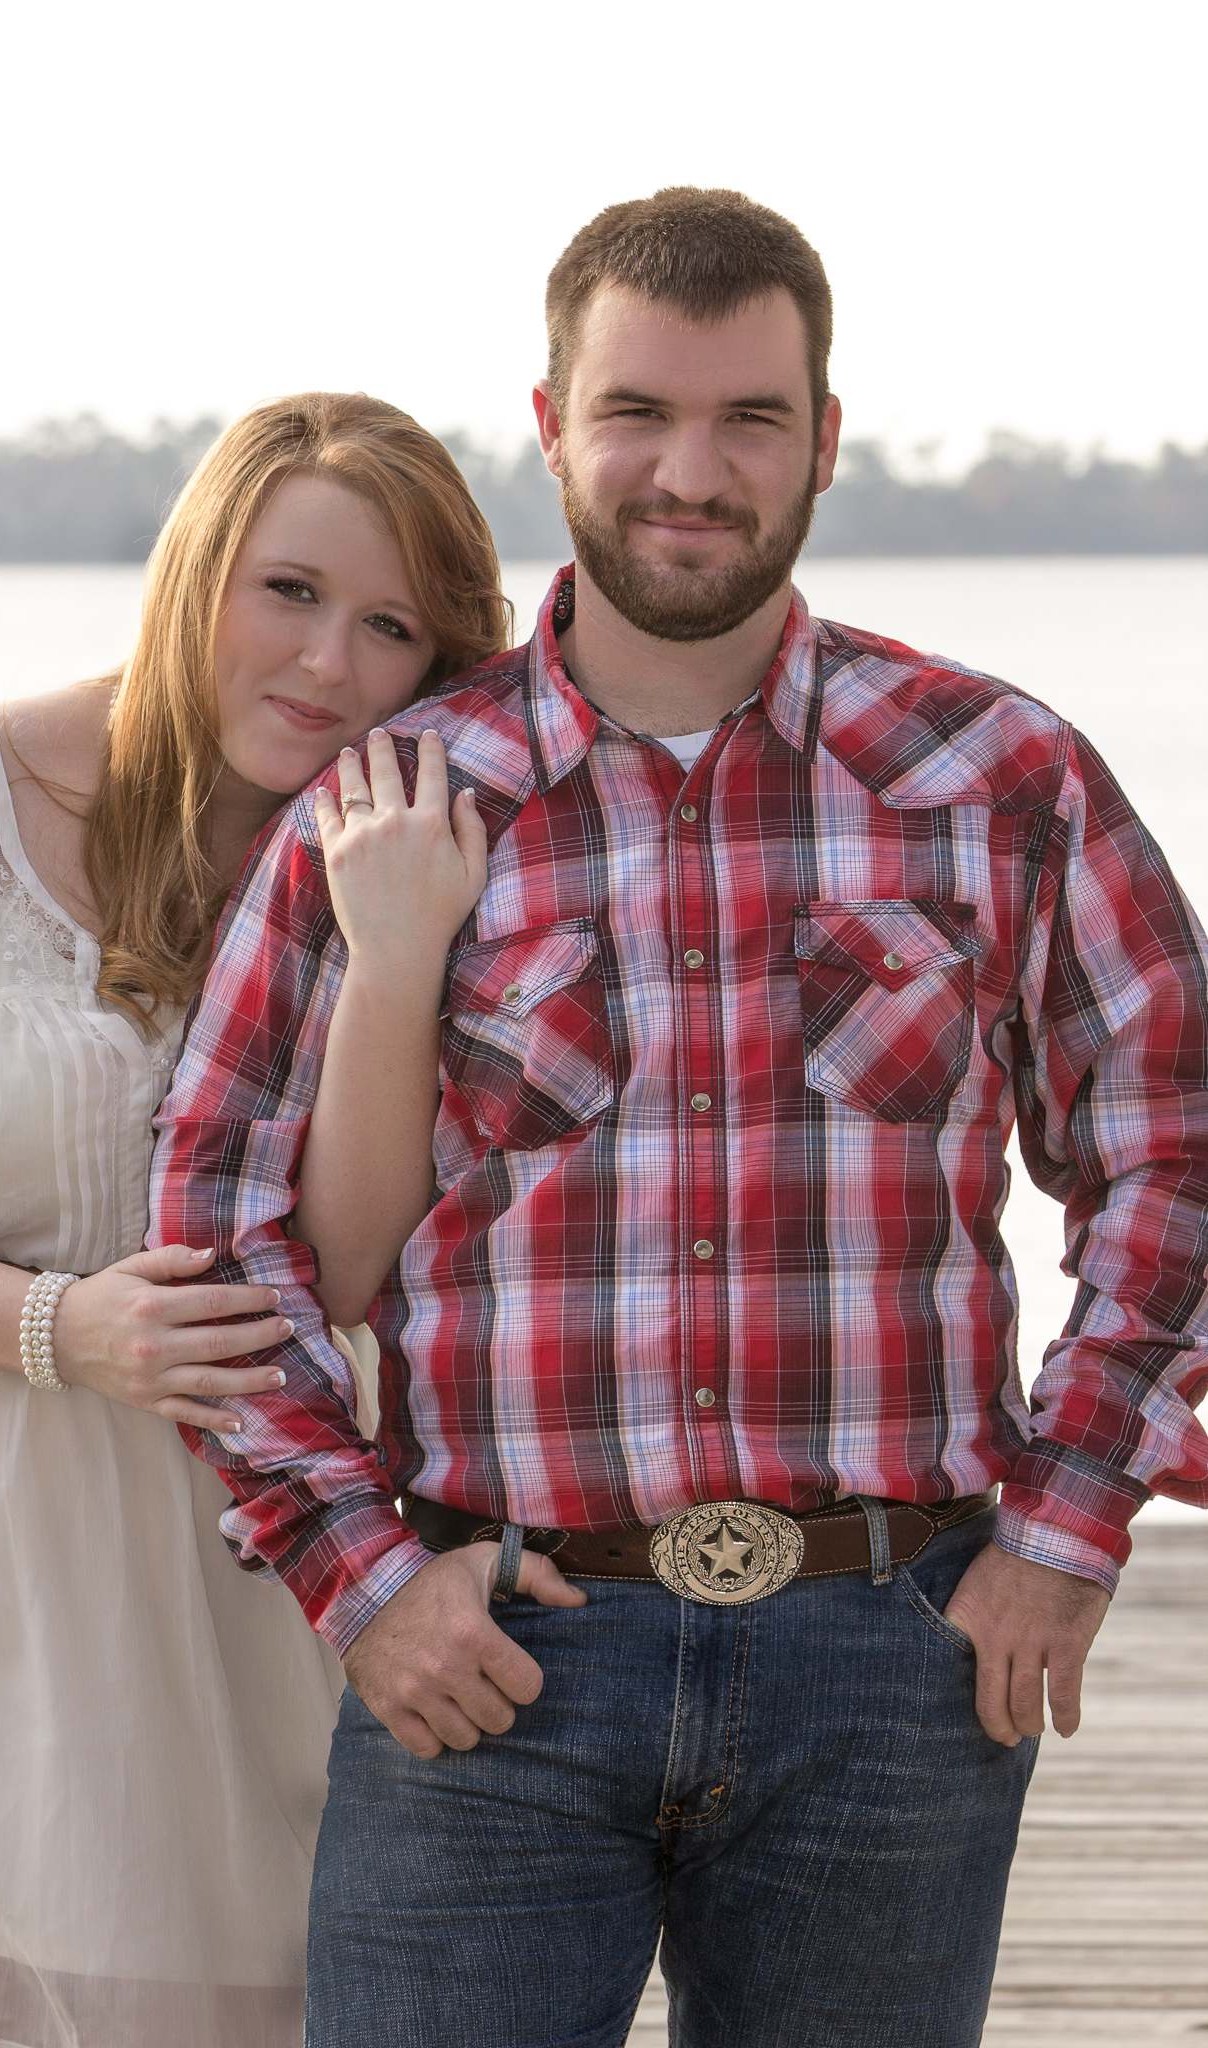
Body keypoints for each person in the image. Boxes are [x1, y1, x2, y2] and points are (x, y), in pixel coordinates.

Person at [147, 190, 1208, 2048]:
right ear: (553, 425)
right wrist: (357, 1573)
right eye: (637, 412)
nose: (688, 472)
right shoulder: (401, 796)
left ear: (823, 439)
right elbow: (219, 1224)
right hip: (492, 1647)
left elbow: (1169, 1150)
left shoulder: (995, 774)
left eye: (749, 419)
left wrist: (1063, 1526)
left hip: (897, 1661)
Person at [0, 392, 506, 2048]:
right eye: (287, 591)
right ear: (196, 566)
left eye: (389, 629)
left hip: (236, 1640)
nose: (328, 667)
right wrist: (57, 1327)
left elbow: (346, 1268)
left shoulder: (398, 860)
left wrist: (398, 948)